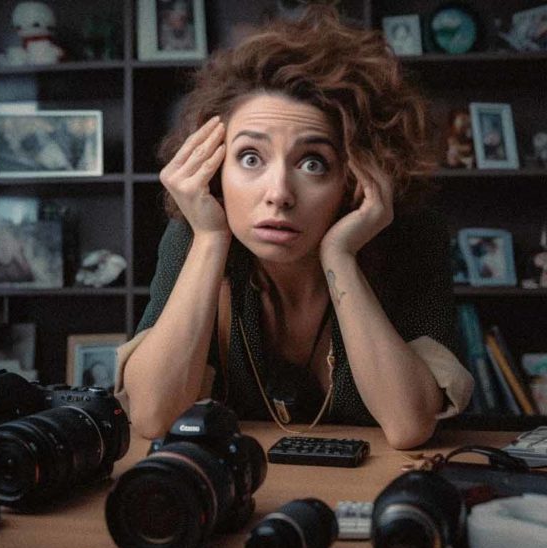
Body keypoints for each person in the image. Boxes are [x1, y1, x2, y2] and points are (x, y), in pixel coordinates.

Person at [114, 7, 473, 449]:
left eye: (312, 163)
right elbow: (152, 415)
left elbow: (409, 425)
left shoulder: (410, 237)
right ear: (215, 168)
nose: (279, 193)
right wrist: (210, 241)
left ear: (354, 177)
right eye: (250, 158)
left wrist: (340, 256)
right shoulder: (196, 234)